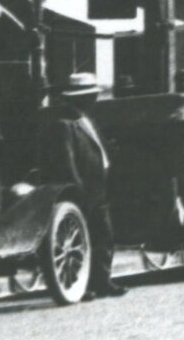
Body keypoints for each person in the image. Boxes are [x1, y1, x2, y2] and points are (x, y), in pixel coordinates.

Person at [40, 71, 126, 300]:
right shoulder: (64, 125)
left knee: (104, 236)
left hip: (98, 186)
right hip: (83, 189)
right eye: (90, 95)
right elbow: (66, 160)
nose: (94, 99)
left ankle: (103, 281)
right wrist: (76, 187)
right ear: (80, 98)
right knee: (84, 239)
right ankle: (82, 284)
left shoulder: (86, 121)